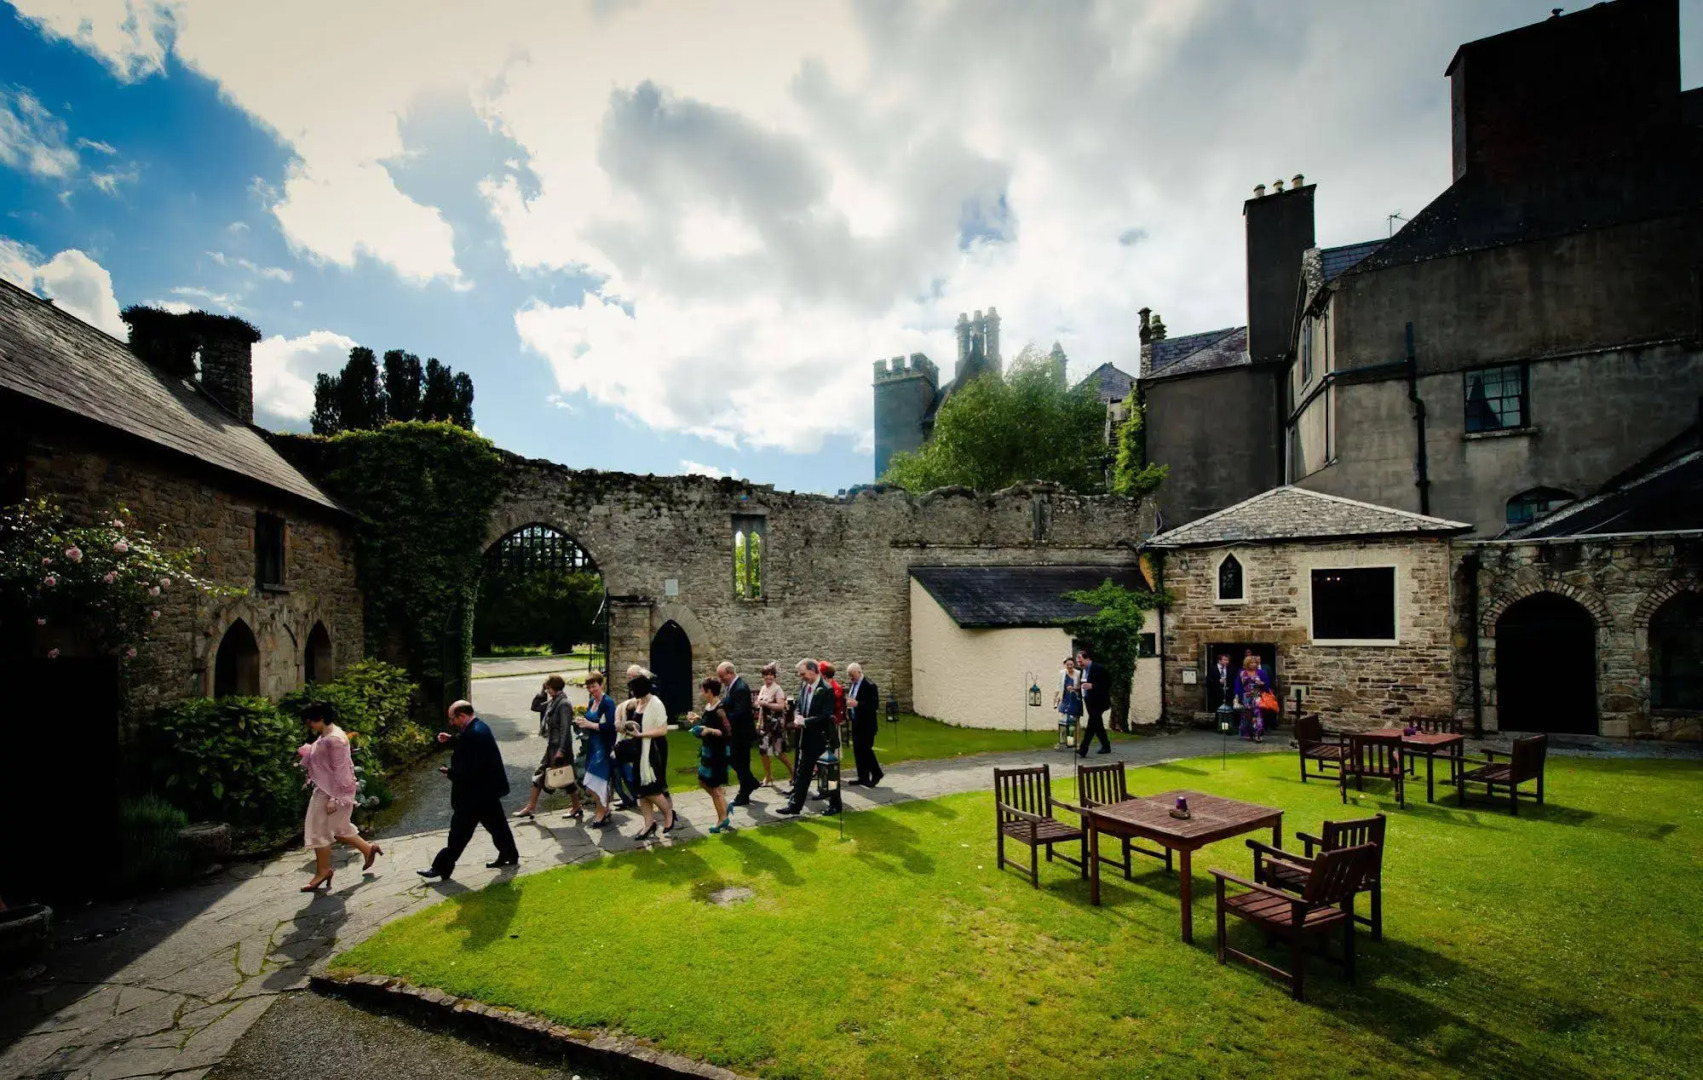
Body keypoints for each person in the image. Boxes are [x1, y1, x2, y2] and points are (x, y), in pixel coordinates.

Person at [418, 700, 520, 880]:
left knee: (458, 833)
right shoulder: (479, 727)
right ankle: (509, 855)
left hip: (473, 795)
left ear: (462, 716)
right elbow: (468, 746)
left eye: (453, 719)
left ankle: (441, 867)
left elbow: (468, 769)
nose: (451, 723)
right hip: (486, 792)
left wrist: (450, 772)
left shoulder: (473, 734)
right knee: (498, 826)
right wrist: (451, 740)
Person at [296, 703, 381, 892]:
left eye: (309, 720)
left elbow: (341, 770)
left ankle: (323, 871)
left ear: (319, 718)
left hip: (332, 793)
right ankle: (368, 849)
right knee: (339, 828)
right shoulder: (328, 734)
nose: (308, 724)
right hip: (327, 790)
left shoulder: (334, 739)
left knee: (319, 831)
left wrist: (335, 798)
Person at [777, 659, 840, 817]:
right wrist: (798, 715)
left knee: (829, 774)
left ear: (813, 670)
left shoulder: (826, 689)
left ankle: (835, 804)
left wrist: (806, 721)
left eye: (803, 674)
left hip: (823, 738)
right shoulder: (804, 686)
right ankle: (795, 805)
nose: (801, 677)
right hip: (807, 738)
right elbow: (799, 704)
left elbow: (826, 714)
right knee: (803, 772)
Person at [514, 674, 581, 820]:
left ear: (555, 687)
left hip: (560, 748)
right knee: (543, 774)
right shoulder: (554, 701)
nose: (547, 690)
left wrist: (561, 751)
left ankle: (576, 806)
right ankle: (531, 807)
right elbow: (536, 707)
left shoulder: (564, 703)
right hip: (553, 746)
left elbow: (565, 729)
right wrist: (542, 691)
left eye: (549, 688)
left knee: (566, 778)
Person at [621, 671, 675, 839]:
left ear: (640, 689)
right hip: (640, 750)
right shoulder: (639, 703)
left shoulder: (656, 703)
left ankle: (669, 815)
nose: (631, 693)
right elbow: (628, 713)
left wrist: (640, 735)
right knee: (641, 790)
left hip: (653, 750)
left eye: (633, 689)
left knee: (651, 788)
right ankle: (648, 824)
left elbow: (662, 730)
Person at [689, 677, 734, 833]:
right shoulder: (709, 706)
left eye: (702, 690)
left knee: (715, 787)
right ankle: (725, 806)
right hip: (707, 750)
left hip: (718, 752)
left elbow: (727, 732)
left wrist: (709, 731)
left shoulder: (721, 708)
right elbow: (709, 722)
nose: (701, 693)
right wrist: (698, 720)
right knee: (703, 781)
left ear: (709, 691)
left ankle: (722, 818)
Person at [575, 671, 618, 827]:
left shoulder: (608, 702)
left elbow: (612, 727)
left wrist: (590, 725)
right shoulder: (592, 701)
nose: (591, 690)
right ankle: (604, 809)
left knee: (593, 780)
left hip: (604, 746)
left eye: (594, 686)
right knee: (594, 780)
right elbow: (590, 719)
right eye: (588, 687)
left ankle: (601, 811)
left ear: (601, 685)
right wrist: (582, 721)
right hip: (592, 745)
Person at [716, 661, 760, 806]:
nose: (721, 680)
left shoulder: (740, 688)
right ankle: (751, 782)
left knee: (740, 762)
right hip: (736, 733)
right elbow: (728, 702)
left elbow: (739, 712)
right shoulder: (732, 686)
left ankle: (744, 793)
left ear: (730, 673)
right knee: (736, 761)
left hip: (742, 732)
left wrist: (724, 718)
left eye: (723, 677)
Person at [845, 663, 883, 787]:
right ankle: (862, 777)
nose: (850, 677)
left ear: (859, 672)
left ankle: (877, 773)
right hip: (856, 722)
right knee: (858, 751)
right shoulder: (853, 685)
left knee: (866, 750)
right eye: (849, 675)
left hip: (867, 724)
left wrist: (857, 704)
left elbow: (873, 706)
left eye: (852, 675)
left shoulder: (870, 686)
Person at [754, 663, 792, 787]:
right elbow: (760, 707)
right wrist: (759, 722)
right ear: (763, 676)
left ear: (774, 676)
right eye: (766, 675)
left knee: (778, 752)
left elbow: (781, 706)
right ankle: (768, 776)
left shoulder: (777, 689)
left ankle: (794, 773)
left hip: (775, 725)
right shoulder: (763, 688)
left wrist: (767, 705)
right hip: (765, 725)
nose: (768, 677)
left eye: (771, 674)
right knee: (763, 751)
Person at [1076, 647, 1113, 757]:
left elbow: (1107, 683)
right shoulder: (1083, 671)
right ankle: (1106, 746)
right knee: (1097, 724)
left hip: (1099, 701)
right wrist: (1076, 689)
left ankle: (1083, 748)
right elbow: (1084, 685)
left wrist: (1093, 686)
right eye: (1078, 662)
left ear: (1087, 659)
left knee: (1091, 724)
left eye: (1081, 661)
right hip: (1089, 701)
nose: (1079, 664)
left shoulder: (1098, 668)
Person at [1236, 655, 1268, 742]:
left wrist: (1262, 684)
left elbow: (1267, 684)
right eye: (1251, 663)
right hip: (1245, 696)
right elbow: (1238, 685)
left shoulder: (1260, 672)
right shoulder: (1241, 672)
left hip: (1257, 695)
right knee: (1246, 716)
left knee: (1258, 715)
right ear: (1247, 663)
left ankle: (1258, 734)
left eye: (1255, 663)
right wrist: (1238, 696)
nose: (1253, 664)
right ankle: (1247, 734)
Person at [1055, 657, 1082, 745]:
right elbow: (1058, 686)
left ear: (1074, 665)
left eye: (1071, 664)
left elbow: (1082, 687)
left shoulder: (1078, 673)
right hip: (1065, 698)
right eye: (1067, 665)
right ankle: (1062, 741)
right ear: (1065, 665)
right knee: (1061, 720)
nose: (1069, 666)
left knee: (1076, 721)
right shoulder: (1062, 673)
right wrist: (1055, 697)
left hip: (1075, 699)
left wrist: (1073, 688)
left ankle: (1078, 742)